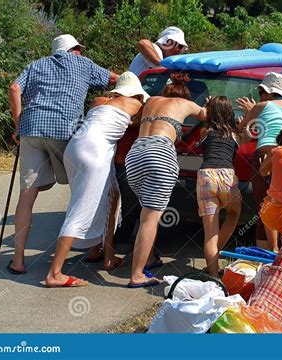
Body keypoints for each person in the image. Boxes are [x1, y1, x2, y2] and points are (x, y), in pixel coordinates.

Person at [7, 34, 118, 275]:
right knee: (85, 190)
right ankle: (93, 249)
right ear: (73, 50)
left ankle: (18, 260)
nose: (80, 52)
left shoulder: (36, 64)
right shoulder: (84, 64)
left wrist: (18, 124)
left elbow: (14, 88)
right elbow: (115, 80)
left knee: (26, 195)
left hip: (31, 129)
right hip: (65, 130)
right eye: (78, 49)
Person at [45, 72, 148, 287]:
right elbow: (147, 117)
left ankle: (104, 254)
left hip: (74, 150)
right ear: (136, 93)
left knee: (113, 197)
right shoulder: (136, 104)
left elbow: (105, 119)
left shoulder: (99, 101)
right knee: (80, 209)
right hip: (95, 152)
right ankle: (55, 273)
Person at [107, 27, 189, 257]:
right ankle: (131, 247)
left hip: (141, 127)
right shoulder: (154, 51)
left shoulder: (158, 84)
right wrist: (164, 67)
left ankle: (120, 242)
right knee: (136, 196)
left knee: (133, 190)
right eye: (180, 46)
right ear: (169, 41)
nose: (180, 51)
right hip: (137, 120)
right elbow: (143, 41)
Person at [125, 72, 207, 288]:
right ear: (184, 94)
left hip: (135, 154)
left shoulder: (151, 100)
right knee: (150, 218)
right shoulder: (186, 104)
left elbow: (133, 119)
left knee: (145, 211)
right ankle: (137, 274)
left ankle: (149, 258)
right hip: (160, 152)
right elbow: (207, 115)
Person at [236, 72, 282, 252]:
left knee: (265, 210)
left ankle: (269, 256)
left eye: (260, 92)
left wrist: (249, 114)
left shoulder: (261, 106)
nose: (259, 97)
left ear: (267, 92)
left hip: (267, 153)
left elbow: (244, 138)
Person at [196, 96, 246, 278]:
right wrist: (246, 119)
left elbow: (204, 118)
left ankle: (214, 276)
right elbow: (247, 139)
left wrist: (207, 106)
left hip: (206, 176)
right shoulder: (235, 134)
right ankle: (216, 255)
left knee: (210, 233)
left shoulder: (205, 132)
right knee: (233, 214)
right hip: (227, 177)